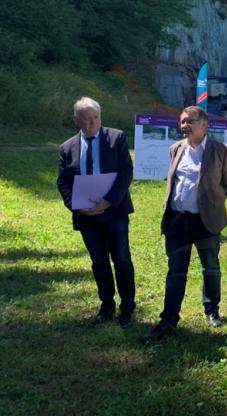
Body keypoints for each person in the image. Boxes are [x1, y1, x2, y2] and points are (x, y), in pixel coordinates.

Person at [140, 106, 227, 343]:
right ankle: (169, 319)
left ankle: (212, 309)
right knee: (176, 271)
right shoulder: (176, 149)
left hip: (206, 221)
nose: (184, 126)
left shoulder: (221, 150)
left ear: (204, 124)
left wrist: (210, 202)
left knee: (210, 267)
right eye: (182, 122)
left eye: (189, 121)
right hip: (177, 221)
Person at [57, 97, 136, 328]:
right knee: (99, 261)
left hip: (114, 212)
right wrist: (74, 204)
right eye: (86, 118)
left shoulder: (116, 138)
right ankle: (106, 305)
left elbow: (126, 172)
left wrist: (108, 201)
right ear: (76, 120)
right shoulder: (66, 148)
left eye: (96, 117)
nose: (92, 122)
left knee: (121, 259)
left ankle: (128, 307)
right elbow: (62, 181)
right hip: (86, 217)